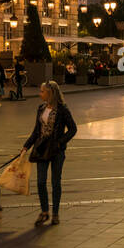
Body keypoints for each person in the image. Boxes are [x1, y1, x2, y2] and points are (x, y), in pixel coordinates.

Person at [23, 81, 77, 227]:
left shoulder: (62, 109)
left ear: (50, 93)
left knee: (55, 182)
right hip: (41, 149)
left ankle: (55, 214)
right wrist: (26, 146)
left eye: (42, 91)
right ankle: (44, 211)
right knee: (40, 182)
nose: (40, 94)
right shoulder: (41, 108)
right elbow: (36, 130)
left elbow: (73, 129)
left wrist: (60, 142)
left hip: (56, 150)